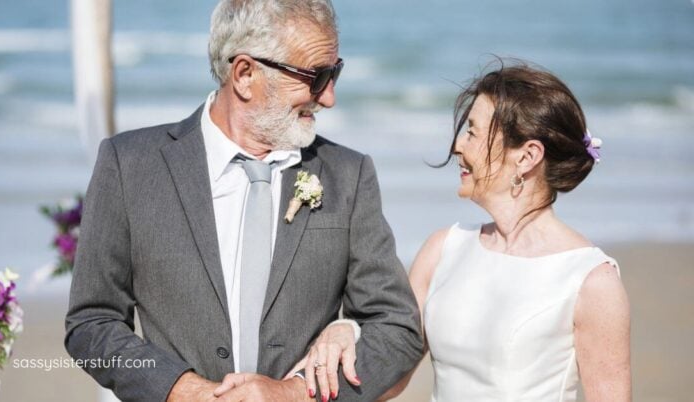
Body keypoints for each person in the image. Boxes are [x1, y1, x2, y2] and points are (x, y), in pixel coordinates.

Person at [64, 1, 423, 401]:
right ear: (245, 74)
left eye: (335, 73)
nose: (329, 97)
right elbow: (92, 322)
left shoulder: (347, 175)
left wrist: (293, 394)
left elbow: (397, 328)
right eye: (317, 76)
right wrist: (182, 390)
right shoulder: (130, 165)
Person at [292, 62, 632, 401]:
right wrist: (345, 329)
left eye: (472, 131)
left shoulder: (591, 281)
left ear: (527, 157)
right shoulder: (442, 250)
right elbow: (389, 375)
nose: (457, 145)